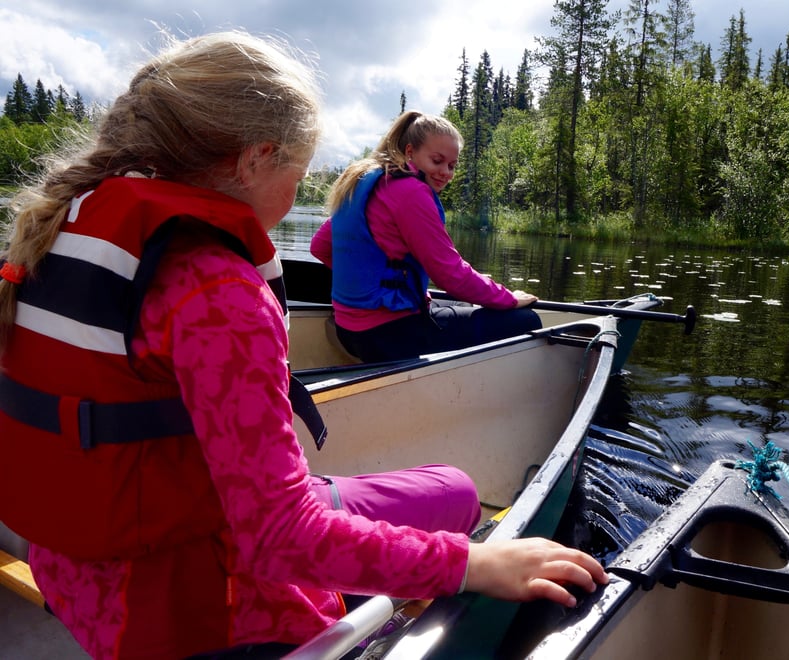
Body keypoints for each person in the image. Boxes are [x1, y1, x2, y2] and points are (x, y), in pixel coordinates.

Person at [0, 31, 607, 660]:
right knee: (461, 518)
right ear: (258, 159)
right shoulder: (217, 291)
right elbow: (279, 538)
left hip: (85, 562)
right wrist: (474, 565)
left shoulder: (59, 229)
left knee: (454, 489)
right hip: (183, 601)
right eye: (299, 171)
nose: (298, 189)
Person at [310, 111, 542, 362]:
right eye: (437, 160)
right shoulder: (411, 192)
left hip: (348, 330)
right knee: (526, 320)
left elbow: (320, 246)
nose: (445, 172)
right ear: (410, 152)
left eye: (452, 165)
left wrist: (368, 281)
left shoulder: (366, 183)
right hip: (389, 335)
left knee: (466, 306)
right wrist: (509, 298)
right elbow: (450, 274)